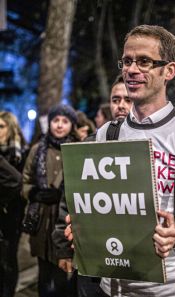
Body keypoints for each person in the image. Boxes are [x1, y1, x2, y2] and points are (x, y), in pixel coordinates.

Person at [65, 24, 175, 297]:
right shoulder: (105, 134)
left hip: (173, 289)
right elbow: (100, 207)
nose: (132, 69)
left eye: (144, 61)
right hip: (110, 286)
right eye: (127, 61)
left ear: (168, 71)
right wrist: (82, 226)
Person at [52, 75, 132, 297]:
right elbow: (69, 199)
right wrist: (62, 248)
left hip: (135, 257)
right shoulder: (89, 145)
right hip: (92, 258)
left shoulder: (149, 145)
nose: (121, 105)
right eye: (116, 99)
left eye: (128, 99)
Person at [22, 104, 80, 297]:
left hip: (65, 220)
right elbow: (25, 181)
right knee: (44, 276)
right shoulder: (38, 149)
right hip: (41, 221)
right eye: (56, 120)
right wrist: (34, 193)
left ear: (72, 125)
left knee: (64, 277)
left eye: (65, 121)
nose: (60, 125)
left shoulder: (78, 150)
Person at [0, 111, 28, 297]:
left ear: (11, 129)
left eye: (1, 126)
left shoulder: (20, 154)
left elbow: (20, 184)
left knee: (7, 262)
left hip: (11, 215)